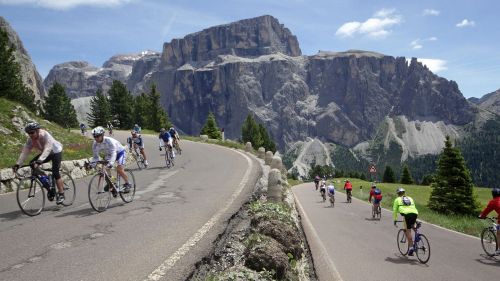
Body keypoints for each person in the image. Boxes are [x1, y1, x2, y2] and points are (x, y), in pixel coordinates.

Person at [12, 122, 66, 204]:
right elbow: (25, 152)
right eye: (28, 133)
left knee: (55, 172)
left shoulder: (45, 135)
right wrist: (18, 164)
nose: (30, 135)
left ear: (37, 130)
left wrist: (39, 161)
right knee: (32, 164)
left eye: (32, 132)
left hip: (55, 152)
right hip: (46, 152)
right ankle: (48, 186)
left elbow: (48, 148)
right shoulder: (30, 140)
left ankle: (61, 194)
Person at [90, 126, 131, 194]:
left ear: (102, 135)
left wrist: (110, 164)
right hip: (109, 154)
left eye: (98, 136)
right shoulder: (95, 144)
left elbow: (114, 153)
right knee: (104, 169)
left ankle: (128, 183)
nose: (96, 138)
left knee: (119, 169)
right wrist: (91, 165)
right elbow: (95, 157)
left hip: (120, 152)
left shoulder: (109, 141)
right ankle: (113, 183)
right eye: (94, 136)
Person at [392, 187, 419, 256]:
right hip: (415, 213)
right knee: (412, 225)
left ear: (398, 194)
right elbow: (413, 207)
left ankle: (411, 248)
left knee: (408, 230)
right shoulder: (410, 198)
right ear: (404, 193)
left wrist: (395, 219)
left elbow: (395, 210)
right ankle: (418, 235)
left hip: (406, 215)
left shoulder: (397, 199)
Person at [478, 187, 500, 255]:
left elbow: (486, 211)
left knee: (499, 233)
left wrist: (482, 216)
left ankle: (499, 250)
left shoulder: (493, 201)